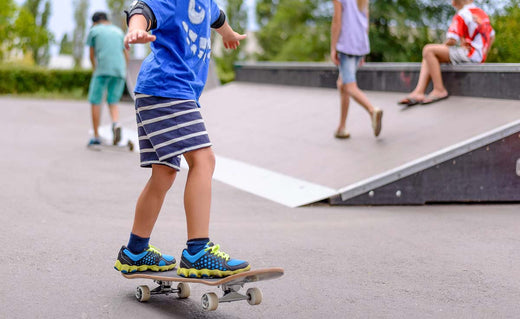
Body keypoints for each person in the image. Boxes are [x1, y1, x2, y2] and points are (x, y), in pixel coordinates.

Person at [113, 0, 251, 278]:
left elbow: (218, 18)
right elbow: (143, 11)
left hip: (158, 92)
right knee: (204, 160)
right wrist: (136, 30)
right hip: (168, 90)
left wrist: (229, 34)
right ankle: (198, 251)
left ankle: (135, 250)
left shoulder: (207, 4)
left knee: (163, 173)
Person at [398, 0, 495, 106]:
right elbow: (492, 36)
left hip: (470, 55)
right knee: (429, 55)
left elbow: (452, 40)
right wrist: (483, 55)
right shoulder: (482, 14)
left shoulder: (462, 14)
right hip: (478, 56)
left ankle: (439, 89)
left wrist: (439, 50)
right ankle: (419, 92)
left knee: (429, 50)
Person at [330, 0, 383, 139]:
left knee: (349, 86)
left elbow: (337, 21)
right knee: (342, 84)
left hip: (347, 45)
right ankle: (342, 127)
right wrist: (362, 50)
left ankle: (372, 111)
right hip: (359, 44)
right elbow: (365, 22)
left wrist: (333, 48)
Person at [86, 12, 129, 146]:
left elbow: (91, 55)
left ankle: (96, 136)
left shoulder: (94, 31)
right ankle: (116, 124)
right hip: (119, 71)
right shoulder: (118, 31)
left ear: (95, 22)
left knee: (96, 101)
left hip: (103, 70)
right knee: (113, 101)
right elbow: (126, 54)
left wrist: (95, 69)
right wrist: (123, 70)